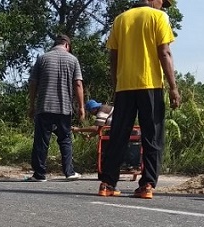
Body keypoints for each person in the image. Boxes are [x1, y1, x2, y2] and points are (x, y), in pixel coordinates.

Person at [99, 0, 180, 198]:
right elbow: (164, 52)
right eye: (163, 3)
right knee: (152, 136)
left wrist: (116, 82)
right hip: (150, 85)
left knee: (118, 136)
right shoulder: (159, 17)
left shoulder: (120, 19)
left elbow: (113, 57)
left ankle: (107, 183)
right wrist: (174, 87)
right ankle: (147, 185)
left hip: (124, 86)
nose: (163, 7)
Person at [27, 34, 85, 182]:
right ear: (67, 45)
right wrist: (81, 107)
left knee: (41, 141)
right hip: (64, 108)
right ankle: (69, 172)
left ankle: (39, 174)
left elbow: (33, 83)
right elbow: (78, 84)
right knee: (65, 139)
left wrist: (31, 105)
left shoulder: (42, 58)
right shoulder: (73, 60)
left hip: (44, 106)